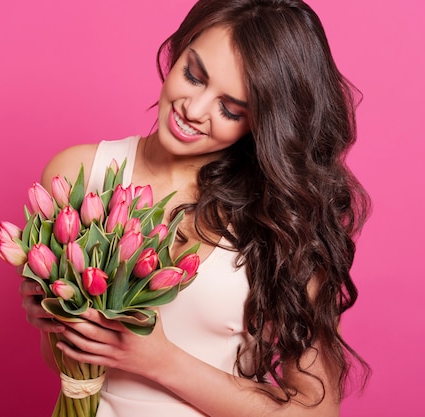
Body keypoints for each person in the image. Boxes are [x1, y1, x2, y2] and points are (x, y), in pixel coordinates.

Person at [19, 0, 371, 415]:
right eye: (193, 75)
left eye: (230, 109)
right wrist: (54, 319)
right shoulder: (78, 175)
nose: (194, 110)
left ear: (263, 122)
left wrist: (161, 361)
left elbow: (317, 411)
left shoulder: (280, 220)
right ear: (180, 47)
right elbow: (64, 364)